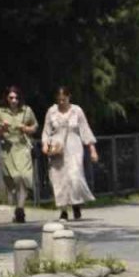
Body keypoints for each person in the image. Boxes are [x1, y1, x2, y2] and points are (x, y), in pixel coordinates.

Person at [42, 86, 98, 221]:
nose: (62, 102)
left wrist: (92, 149)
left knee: (74, 176)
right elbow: (46, 131)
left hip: (74, 146)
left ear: (69, 97)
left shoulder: (76, 111)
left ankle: (76, 203)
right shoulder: (52, 111)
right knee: (59, 179)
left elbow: (85, 130)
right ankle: (63, 210)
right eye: (59, 99)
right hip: (56, 146)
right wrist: (46, 145)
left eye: (64, 99)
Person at [0, 86, 38, 223]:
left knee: (23, 176)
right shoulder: (0, 112)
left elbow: (35, 126)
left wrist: (26, 128)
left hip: (23, 148)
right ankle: (18, 204)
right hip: (8, 149)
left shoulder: (27, 110)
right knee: (13, 179)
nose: (14, 100)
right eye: (11, 97)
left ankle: (20, 209)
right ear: (7, 98)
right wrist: (2, 128)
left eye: (16, 98)